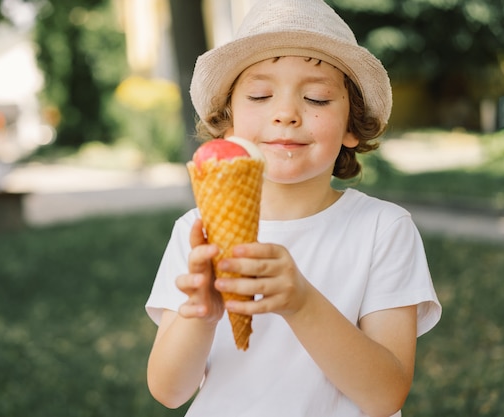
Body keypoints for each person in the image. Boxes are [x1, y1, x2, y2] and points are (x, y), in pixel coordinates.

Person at [145, 0, 441, 416]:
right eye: (260, 94)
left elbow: (385, 395)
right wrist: (201, 316)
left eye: (317, 98)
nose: (285, 114)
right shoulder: (197, 229)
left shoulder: (382, 229)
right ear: (228, 123)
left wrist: (302, 303)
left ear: (352, 126)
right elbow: (168, 391)